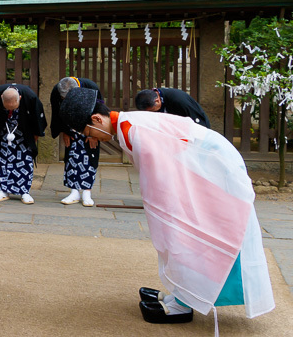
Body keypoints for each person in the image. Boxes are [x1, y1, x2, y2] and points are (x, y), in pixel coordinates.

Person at [59, 87, 275, 326]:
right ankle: (183, 294)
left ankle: (183, 303)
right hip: (205, 166)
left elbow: (162, 182)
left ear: (96, 119)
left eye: (88, 132)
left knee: (183, 234)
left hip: (213, 169)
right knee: (182, 233)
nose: (92, 138)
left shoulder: (135, 130)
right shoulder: (127, 124)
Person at [0, 84, 47, 204]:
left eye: (14, 107)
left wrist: (35, 136)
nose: (11, 110)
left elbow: (38, 119)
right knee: (4, 160)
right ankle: (3, 190)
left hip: (24, 132)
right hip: (5, 131)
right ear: (2, 98)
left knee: (25, 161)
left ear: (19, 97)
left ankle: (24, 191)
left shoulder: (30, 97)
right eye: (8, 108)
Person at [49, 76, 102, 206]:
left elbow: (100, 111)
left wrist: (94, 134)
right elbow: (57, 112)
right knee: (71, 157)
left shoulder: (91, 87)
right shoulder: (57, 90)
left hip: (89, 126)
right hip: (70, 127)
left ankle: (87, 192)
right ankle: (74, 191)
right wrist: (64, 131)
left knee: (90, 157)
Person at [135, 87, 210, 128]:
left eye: (152, 110)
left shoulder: (179, 100)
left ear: (157, 101)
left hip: (195, 129)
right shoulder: (155, 96)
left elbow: (199, 123)